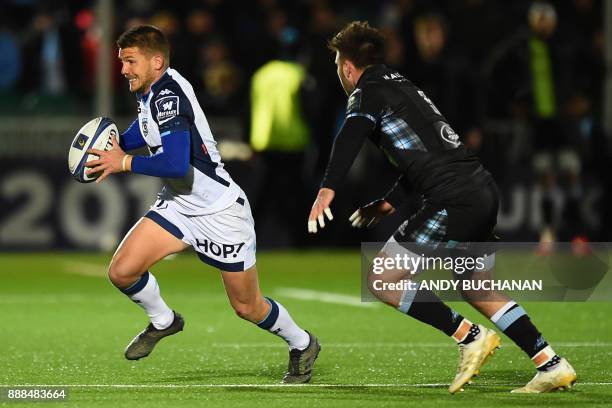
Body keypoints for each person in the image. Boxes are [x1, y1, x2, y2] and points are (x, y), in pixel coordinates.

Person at [307, 21, 576, 393]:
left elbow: (349, 136)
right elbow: (427, 155)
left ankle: (469, 336)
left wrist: (327, 189)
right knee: (477, 286)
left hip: (453, 200)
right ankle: (551, 364)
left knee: (381, 279)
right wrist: (390, 202)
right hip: (480, 189)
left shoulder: (367, 92)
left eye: (337, 62)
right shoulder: (401, 86)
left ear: (348, 67)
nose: (338, 70)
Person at [84, 25, 319, 384]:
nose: (123, 70)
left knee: (247, 307)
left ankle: (301, 343)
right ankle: (164, 321)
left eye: (130, 62)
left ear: (156, 61)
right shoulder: (150, 90)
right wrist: (119, 147)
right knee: (122, 271)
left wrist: (124, 163)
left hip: (220, 211)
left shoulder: (169, 95)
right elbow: (146, 130)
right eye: (122, 62)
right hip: (180, 204)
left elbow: (177, 163)